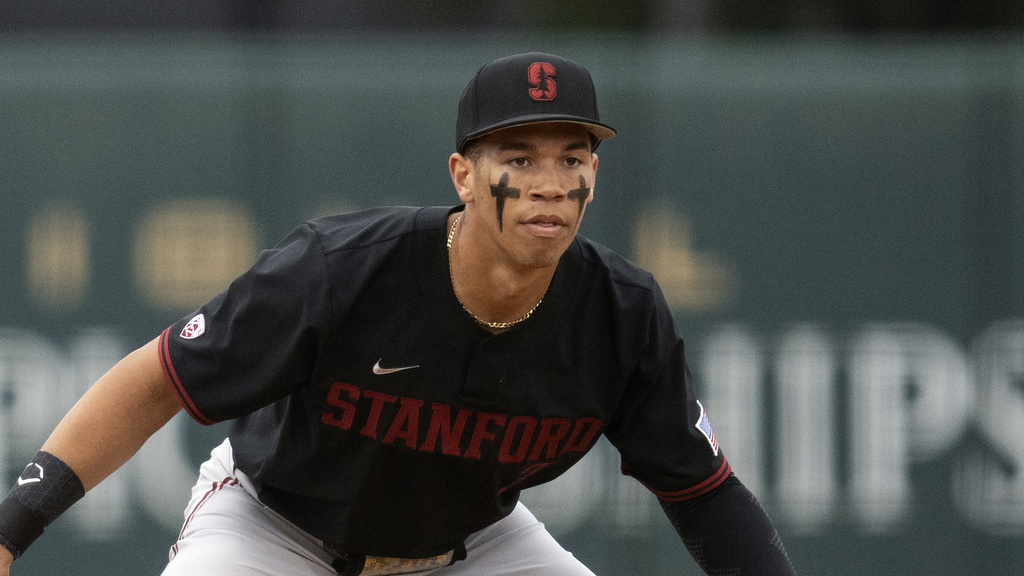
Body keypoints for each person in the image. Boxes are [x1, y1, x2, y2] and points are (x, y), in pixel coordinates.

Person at [0, 52, 795, 575]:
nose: (550, 182)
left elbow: (704, 493)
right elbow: (155, 382)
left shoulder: (621, 313)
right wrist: (13, 526)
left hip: (470, 549)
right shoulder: (342, 269)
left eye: (572, 159)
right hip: (276, 531)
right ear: (461, 173)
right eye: (519, 159)